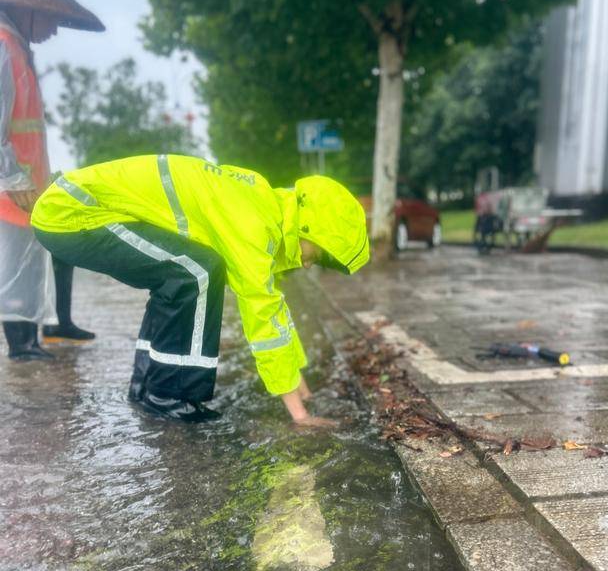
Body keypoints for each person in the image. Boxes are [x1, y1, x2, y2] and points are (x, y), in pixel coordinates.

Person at [32, 155, 369, 424]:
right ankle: (169, 394)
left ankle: (147, 384)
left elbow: (274, 305)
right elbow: (263, 318)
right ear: (307, 227)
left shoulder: (265, 207)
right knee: (197, 272)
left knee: (183, 272)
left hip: (73, 207)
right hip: (71, 213)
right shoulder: (253, 224)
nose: (310, 264)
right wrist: (300, 414)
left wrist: (301, 385)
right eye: (319, 255)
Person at [0, 0, 104, 360]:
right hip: (11, 186)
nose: (55, 30)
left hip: (27, 183)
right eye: (50, 20)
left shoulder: (18, 48)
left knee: (34, 258)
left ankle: (37, 334)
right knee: (15, 265)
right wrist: (10, 177)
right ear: (26, 12)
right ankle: (21, 345)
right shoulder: (4, 47)